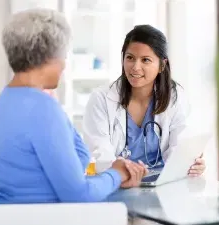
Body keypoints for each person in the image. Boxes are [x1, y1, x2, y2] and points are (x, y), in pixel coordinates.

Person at [0, 9, 147, 204]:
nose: (64, 65)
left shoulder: (2, 103)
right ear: (47, 57)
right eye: (63, 55)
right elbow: (79, 195)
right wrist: (117, 173)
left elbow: (78, 162)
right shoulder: (42, 110)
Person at [83, 25, 205, 176]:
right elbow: (99, 153)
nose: (135, 67)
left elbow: (180, 149)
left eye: (145, 60)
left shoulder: (175, 98)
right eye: (130, 58)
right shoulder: (101, 99)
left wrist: (191, 164)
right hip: (117, 182)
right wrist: (124, 175)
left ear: (162, 65)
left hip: (163, 184)